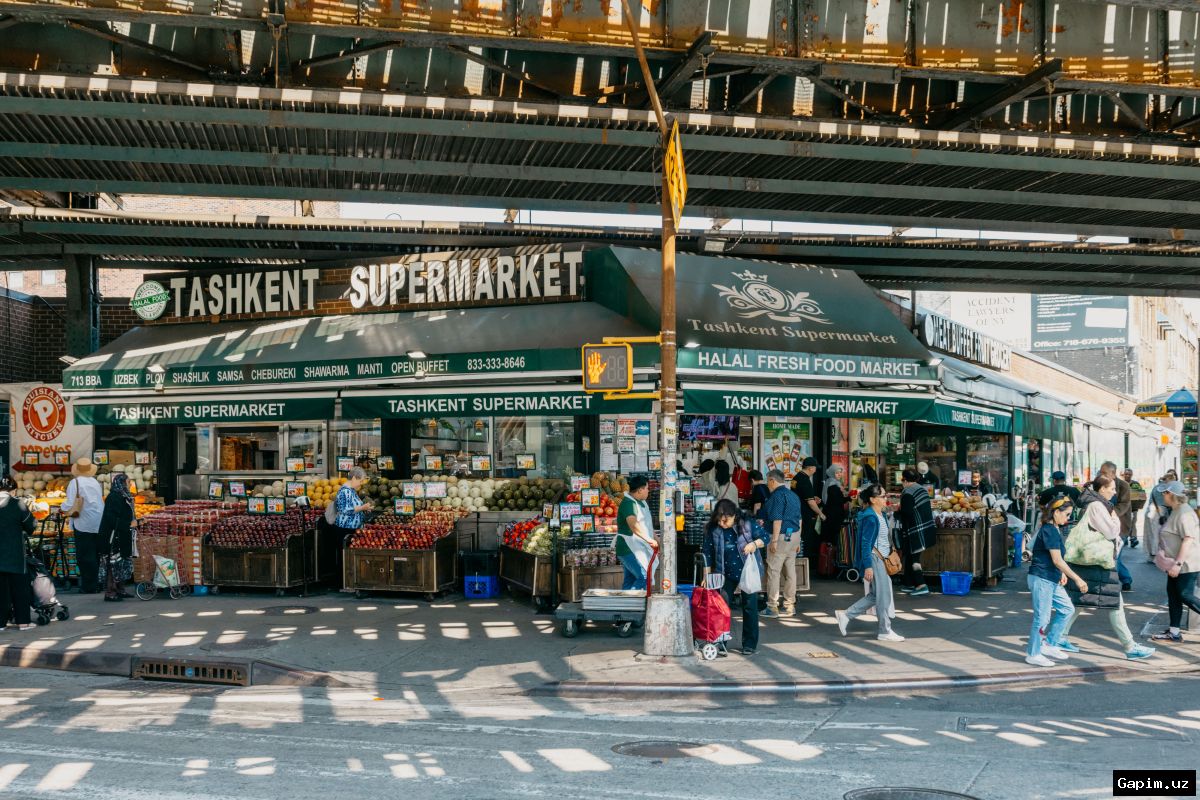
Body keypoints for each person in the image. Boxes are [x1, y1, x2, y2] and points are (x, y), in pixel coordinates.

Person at [1050, 475, 1156, 661]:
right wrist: (1114, 518)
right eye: (1112, 488)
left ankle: (1060, 636)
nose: (1115, 492)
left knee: (1080, 600)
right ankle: (1130, 647)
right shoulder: (1098, 506)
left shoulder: (1097, 504)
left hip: (1091, 559)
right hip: (1098, 561)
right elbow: (1112, 531)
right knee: (1115, 603)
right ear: (1101, 489)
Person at [1024, 496, 1090, 666]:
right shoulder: (1050, 530)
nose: (1068, 518)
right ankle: (1033, 653)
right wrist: (1077, 578)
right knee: (1042, 618)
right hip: (1042, 578)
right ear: (1056, 512)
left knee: (1067, 609)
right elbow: (1057, 560)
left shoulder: (1053, 529)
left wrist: (1061, 572)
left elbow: (1056, 560)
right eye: (1066, 514)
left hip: (1049, 577)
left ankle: (1050, 644)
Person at [835, 483, 904, 642]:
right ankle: (884, 631)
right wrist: (867, 566)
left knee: (877, 595)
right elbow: (865, 544)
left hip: (881, 559)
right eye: (883, 496)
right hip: (875, 559)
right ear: (873, 499)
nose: (885, 498)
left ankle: (846, 615)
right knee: (883, 596)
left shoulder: (880, 515)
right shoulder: (871, 517)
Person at [702, 499, 769, 656]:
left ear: (734, 516)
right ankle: (719, 642)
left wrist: (754, 544)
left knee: (750, 606)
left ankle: (750, 644)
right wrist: (706, 575)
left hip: (747, 571)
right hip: (724, 573)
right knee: (721, 608)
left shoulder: (747, 524)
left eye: (725, 520)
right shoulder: (713, 530)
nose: (722, 523)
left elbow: (765, 537)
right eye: (719, 520)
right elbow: (707, 553)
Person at [1151, 480, 1200, 644]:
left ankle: (1174, 632)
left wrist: (1178, 564)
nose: (1163, 495)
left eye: (1165, 493)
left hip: (1186, 564)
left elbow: (1188, 539)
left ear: (1171, 495)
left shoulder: (1184, 513)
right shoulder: (1176, 510)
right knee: (1173, 595)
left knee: (1184, 594)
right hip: (1176, 563)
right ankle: (1174, 632)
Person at [761, 469, 801, 619]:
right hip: (794, 534)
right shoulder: (793, 495)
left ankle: (772, 607)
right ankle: (790, 606)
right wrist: (799, 540)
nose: (767, 485)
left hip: (781, 536)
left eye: (768, 481)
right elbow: (800, 519)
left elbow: (777, 520)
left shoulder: (776, 496)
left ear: (772, 480)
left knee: (774, 571)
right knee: (790, 570)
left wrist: (774, 541)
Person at [0, 477, 36, 631]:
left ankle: (1, 623)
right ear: (13, 490)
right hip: (15, 554)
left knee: (0, 591)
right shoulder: (18, 504)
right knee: (20, 588)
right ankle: (23, 622)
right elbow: (31, 526)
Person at [64, 457, 105, 594]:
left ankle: (89, 586)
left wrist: (61, 508)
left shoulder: (74, 482)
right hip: (98, 521)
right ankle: (96, 582)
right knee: (95, 553)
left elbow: (70, 504)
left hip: (83, 521)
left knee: (84, 555)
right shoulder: (95, 482)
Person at [1091, 465, 1134, 592]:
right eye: (1100, 471)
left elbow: (1124, 505)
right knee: (1112, 556)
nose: (1100, 473)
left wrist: (1109, 513)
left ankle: (1122, 581)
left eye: (1104, 472)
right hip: (1104, 527)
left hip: (1120, 527)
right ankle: (1123, 580)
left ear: (1113, 473)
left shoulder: (1123, 486)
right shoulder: (1099, 483)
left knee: (1115, 556)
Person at [898, 468, 936, 597]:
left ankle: (921, 585)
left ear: (905, 480)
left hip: (915, 530)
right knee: (909, 555)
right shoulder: (922, 489)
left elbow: (906, 513)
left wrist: (896, 513)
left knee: (914, 558)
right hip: (926, 527)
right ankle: (909, 584)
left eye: (902, 479)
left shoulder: (907, 492)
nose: (902, 482)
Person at [98, 472, 136, 602]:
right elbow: (111, 518)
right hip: (113, 536)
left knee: (122, 562)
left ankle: (120, 589)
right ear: (121, 483)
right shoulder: (114, 497)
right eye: (128, 482)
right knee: (113, 563)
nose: (130, 484)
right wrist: (128, 524)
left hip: (122, 534)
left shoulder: (124, 495)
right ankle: (110, 592)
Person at [615, 475, 656, 591]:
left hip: (637, 548)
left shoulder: (642, 503)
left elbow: (647, 526)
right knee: (643, 577)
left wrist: (656, 540)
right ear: (640, 490)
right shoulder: (629, 503)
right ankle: (631, 602)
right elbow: (633, 525)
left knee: (630, 579)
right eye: (647, 488)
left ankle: (625, 606)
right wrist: (649, 540)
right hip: (628, 548)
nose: (648, 491)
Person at [793, 457, 824, 560]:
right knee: (805, 540)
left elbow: (800, 495)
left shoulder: (796, 478)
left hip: (796, 513)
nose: (815, 470)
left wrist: (812, 497)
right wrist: (821, 513)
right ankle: (805, 563)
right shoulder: (805, 480)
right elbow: (810, 503)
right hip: (804, 515)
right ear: (810, 468)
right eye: (815, 468)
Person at [332, 466, 374, 539]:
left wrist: (364, 509)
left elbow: (355, 507)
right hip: (345, 531)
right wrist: (362, 508)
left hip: (352, 531)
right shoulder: (345, 491)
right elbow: (345, 510)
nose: (361, 484)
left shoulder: (352, 490)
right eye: (360, 481)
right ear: (354, 478)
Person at [1144, 471, 1176, 565]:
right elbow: (1168, 503)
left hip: (1150, 511)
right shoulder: (1165, 488)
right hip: (1158, 512)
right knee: (1157, 534)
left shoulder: (1156, 487)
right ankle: (1156, 556)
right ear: (1169, 480)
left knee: (1151, 534)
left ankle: (1151, 555)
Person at [820, 465, 848, 546]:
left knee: (829, 538)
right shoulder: (833, 486)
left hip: (829, 514)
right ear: (832, 473)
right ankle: (832, 557)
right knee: (833, 539)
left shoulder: (830, 482)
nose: (839, 474)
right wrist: (849, 497)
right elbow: (839, 501)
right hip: (833, 517)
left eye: (840, 472)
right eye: (837, 473)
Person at [1124, 468, 1143, 549]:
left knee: (1133, 523)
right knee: (1124, 524)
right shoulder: (1120, 484)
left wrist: (1140, 505)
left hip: (1133, 508)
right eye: (1126, 474)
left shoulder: (1136, 484)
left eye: (1129, 474)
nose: (1128, 475)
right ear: (1123, 475)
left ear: (1132, 475)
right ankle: (1124, 538)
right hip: (1123, 508)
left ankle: (1133, 539)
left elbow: (1141, 495)